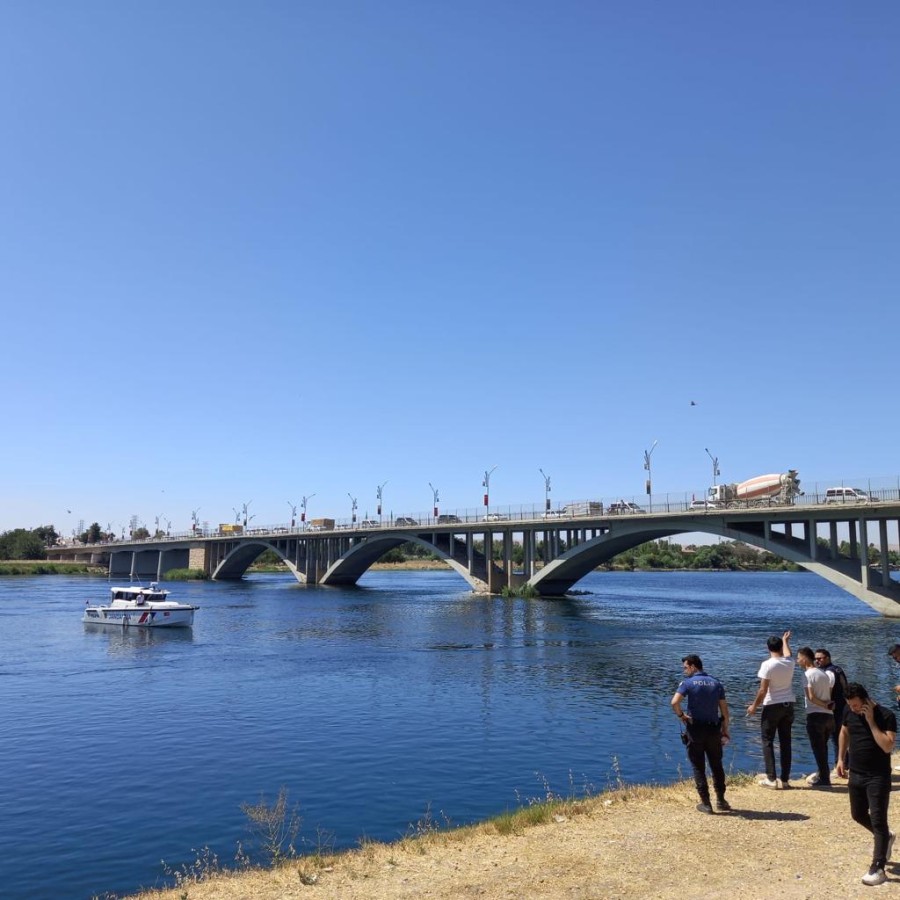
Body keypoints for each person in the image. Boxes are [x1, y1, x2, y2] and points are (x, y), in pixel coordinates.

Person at [837, 682, 897, 886]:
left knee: (879, 820)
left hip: (878, 776)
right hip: (857, 773)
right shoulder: (847, 711)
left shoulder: (886, 715)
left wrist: (871, 721)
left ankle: (878, 867)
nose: (853, 709)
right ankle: (886, 838)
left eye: (856, 705)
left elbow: (887, 746)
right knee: (858, 814)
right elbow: (844, 732)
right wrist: (840, 758)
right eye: (850, 705)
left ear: (866, 700)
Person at [671, 654, 731, 814]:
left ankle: (706, 803)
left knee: (698, 766)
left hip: (695, 729)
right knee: (717, 765)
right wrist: (725, 729)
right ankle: (721, 800)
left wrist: (681, 716)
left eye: (685, 667)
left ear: (693, 666)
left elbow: (674, 702)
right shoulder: (716, 683)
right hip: (713, 730)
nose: (684, 670)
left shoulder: (688, 683)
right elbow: (724, 710)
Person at [747, 630, 795, 788]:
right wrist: (785, 641)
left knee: (767, 741)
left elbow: (763, 690)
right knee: (785, 742)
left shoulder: (767, 665)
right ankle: (786, 780)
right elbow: (788, 653)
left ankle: (771, 778)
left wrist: (754, 706)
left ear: (767, 648)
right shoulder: (790, 662)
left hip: (772, 705)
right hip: (788, 705)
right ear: (780, 647)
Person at [797, 647, 835, 788]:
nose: (797, 661)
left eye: (799, 658)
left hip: (816, 715)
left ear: (805, 658)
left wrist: (824, 705)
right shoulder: (824, 674)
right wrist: (828, 706)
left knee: (818, 748)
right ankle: (823, 774)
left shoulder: (806, 675)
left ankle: (824, 779)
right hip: (829, 717)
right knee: (823, 747)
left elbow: (811, 697)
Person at [815, 647, 849, 772]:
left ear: (828, 658)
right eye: (816, 659)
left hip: (835, 709)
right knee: (841, 736)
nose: (817, 661)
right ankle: (845, 764)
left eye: (820, 658)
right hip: (843, 706)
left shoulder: (828, 673)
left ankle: (840, 765)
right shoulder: (837, 669)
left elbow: (827, 693)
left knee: (836, 738)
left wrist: (822, 704)